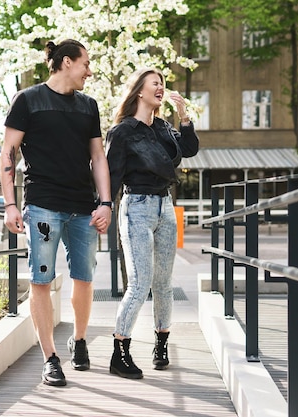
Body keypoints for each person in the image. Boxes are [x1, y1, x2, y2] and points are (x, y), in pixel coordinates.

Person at [0, 39, 112, 387]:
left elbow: (99, 157)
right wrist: (10, 204)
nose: (89, 71)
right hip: (43, 205)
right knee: (41, 279)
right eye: (86, 64)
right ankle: (49, 358)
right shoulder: (28, 100)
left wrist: (106, 202)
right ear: (66, 62)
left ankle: (79, 340)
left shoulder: (89, 106)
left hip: (82, 208)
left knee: (85, 277)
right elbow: (8, 153)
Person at [105, 68, 199, 378]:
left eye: (162, 83)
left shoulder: (163, 128)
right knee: (140, 282)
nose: (161, 87)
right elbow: (112, 176)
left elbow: (189, 149)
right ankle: (120, 351)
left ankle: (161, 345)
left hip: (166, 207)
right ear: (139, 92)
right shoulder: (122, 132)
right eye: (154, 83)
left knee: (163, 284)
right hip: (137, 207)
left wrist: (183, 115)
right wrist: (104, 207)